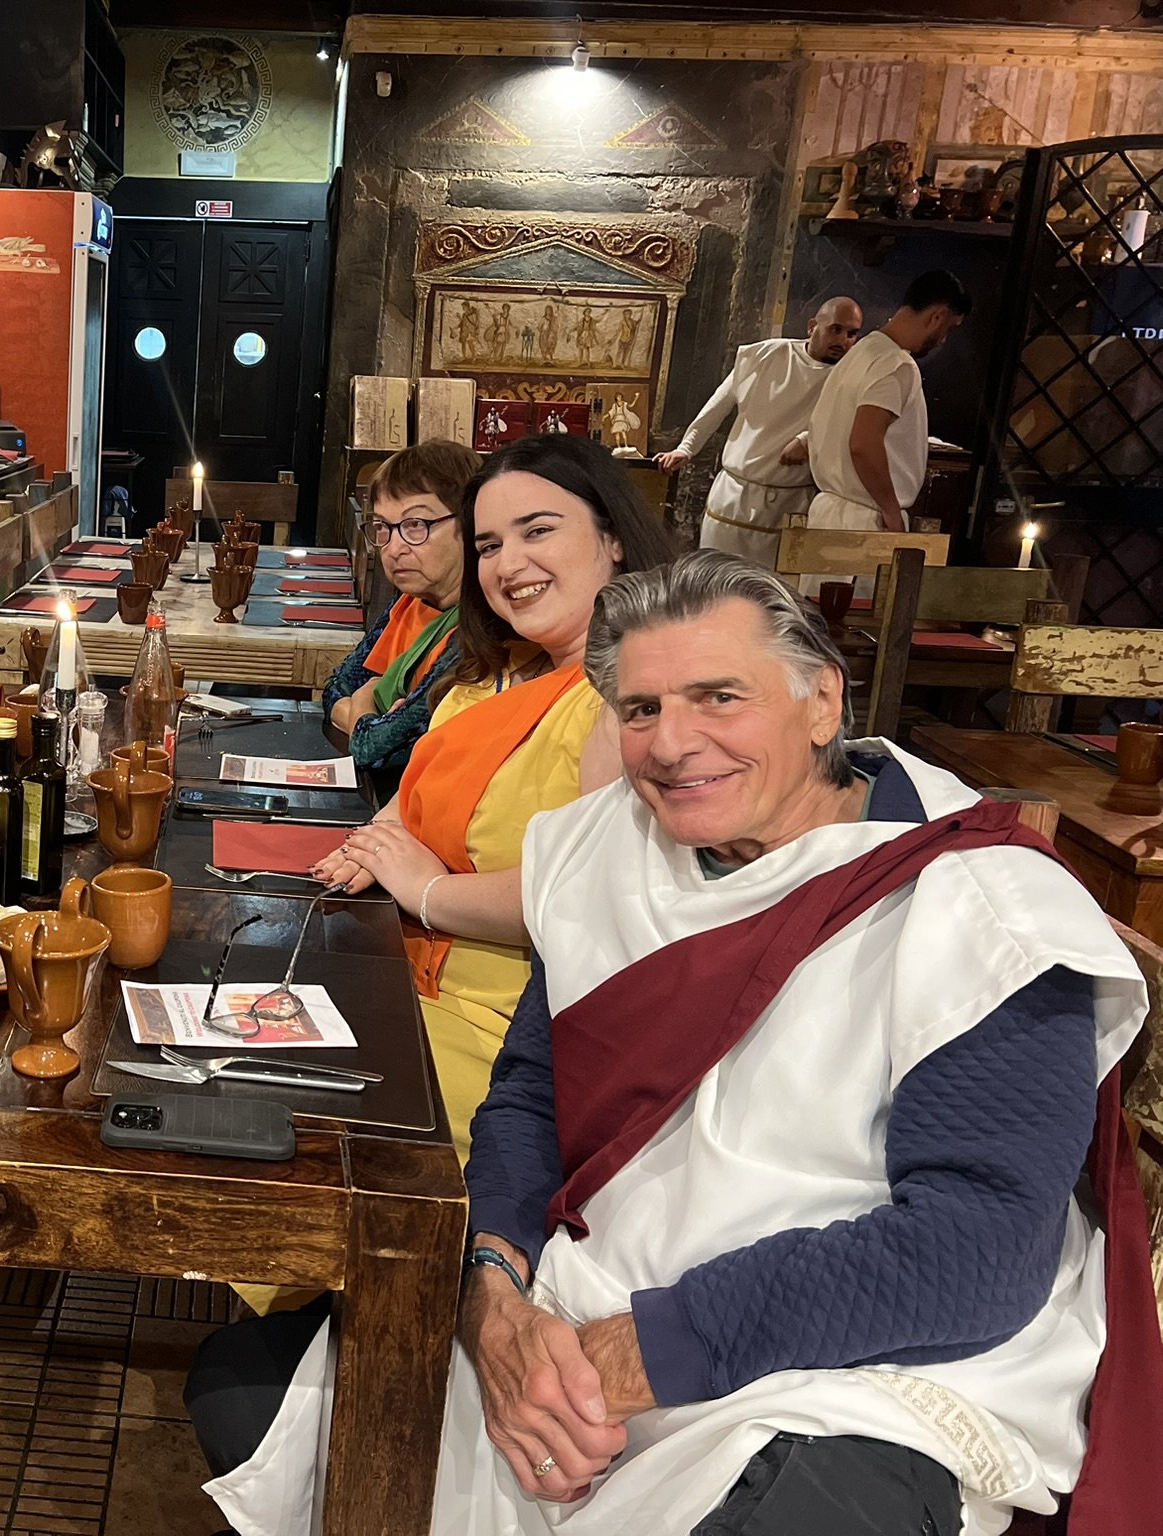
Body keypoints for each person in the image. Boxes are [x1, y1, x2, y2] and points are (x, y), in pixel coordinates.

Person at [189, 551, 1162, 1536]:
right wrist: (491, 1295)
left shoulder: (981, 907)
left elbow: (971, 1252)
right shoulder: (609, 845)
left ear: (819, 699)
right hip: (588, 1286)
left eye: (717, 697)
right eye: (642, 708)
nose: (672, 743)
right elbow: (530, 1090)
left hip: (840, 1370)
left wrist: (628, 1356)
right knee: (246, 1391)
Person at [313, 435, 677, 1159]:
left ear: (612, 537)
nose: (509, 565)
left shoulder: (627, 701)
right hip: (399, 970)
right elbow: (411, 790)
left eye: (538, 531)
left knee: (284, 1121)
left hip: (504, 1030)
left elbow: (589, 902)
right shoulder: (493, 671)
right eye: (489, 544)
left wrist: (427, 889)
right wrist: (377, 840)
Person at [656, 296, 863, 567]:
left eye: (852, 334)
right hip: (736, 496)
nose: (843, 340)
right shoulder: (768, 355)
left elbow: (855, 426)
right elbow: (720, 402)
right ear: (812, 326)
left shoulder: (852, 377)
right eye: (836, 329)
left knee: (771, 597)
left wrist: (808, 439)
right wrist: (686, 447)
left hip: (790, 504)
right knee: (716, 583)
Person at [321, 441, 474, 788]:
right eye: (383, 527)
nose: (394, 547)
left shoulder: (476, 629)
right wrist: (365, 709)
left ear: (469, 522)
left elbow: (374, 750)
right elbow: (334, 686)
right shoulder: (410, 600)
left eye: (416, 524)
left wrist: (360, 703)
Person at [808, 270, 971, 538]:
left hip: (828, 514)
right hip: (864, 522)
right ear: (937, 316)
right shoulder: (896, 364)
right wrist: (891, 510)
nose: (943, 339)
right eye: (949, 329)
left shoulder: (862, 350)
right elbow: (863, 443)